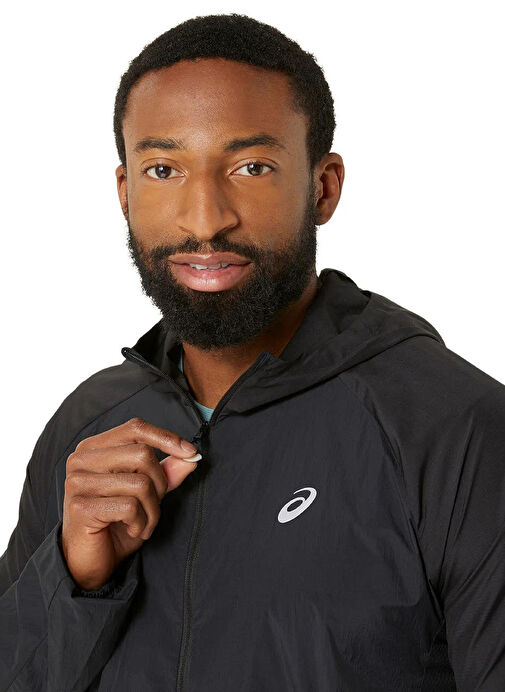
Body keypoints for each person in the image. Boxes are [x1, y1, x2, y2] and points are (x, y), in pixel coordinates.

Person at [1, 13, 504, 692]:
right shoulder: (87, 428)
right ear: (125, 193)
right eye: (163, 169)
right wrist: (73, 579)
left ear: (323, 187)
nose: (205, 219)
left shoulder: (455, 430)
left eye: (251, 167)